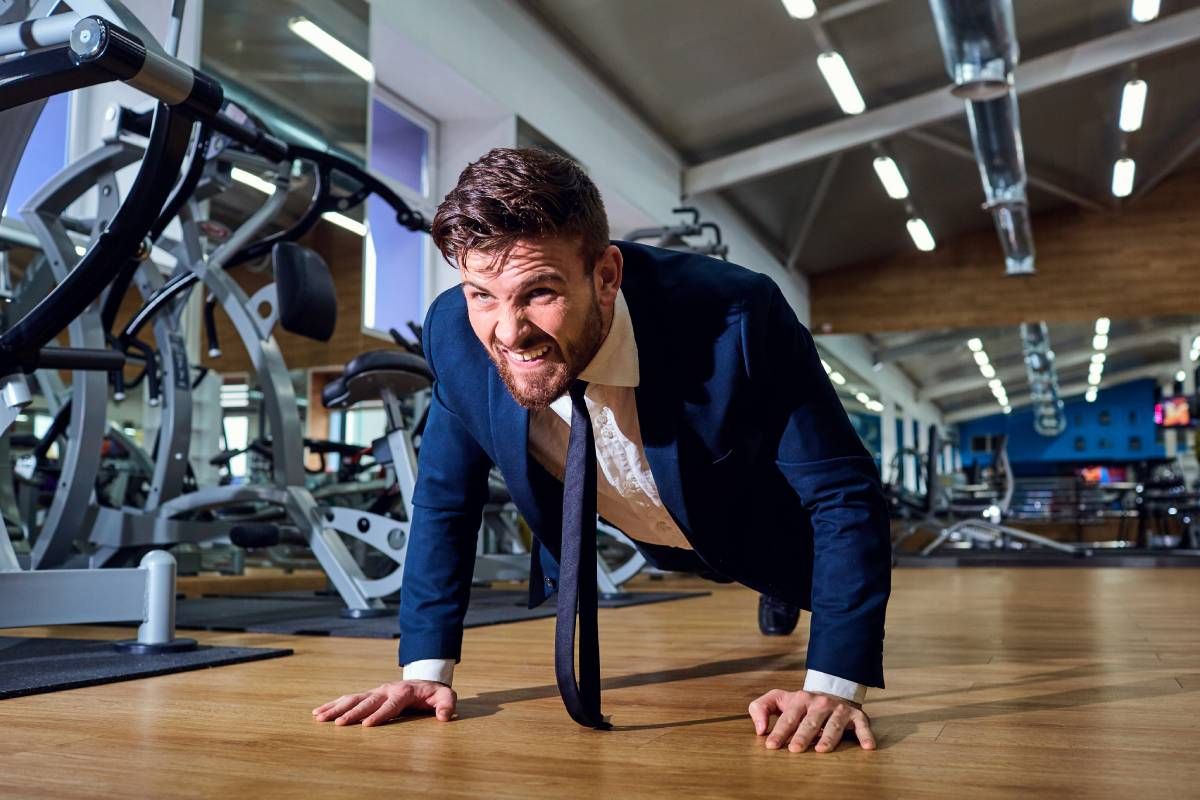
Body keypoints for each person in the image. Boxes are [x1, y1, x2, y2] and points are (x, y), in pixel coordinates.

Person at [314, 147, 891, 753]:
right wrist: (423, 672)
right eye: (482, 294)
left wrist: (832, 686)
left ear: (607, 276)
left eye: (538, 292)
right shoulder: (456, 337)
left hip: (751, 516)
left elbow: (842, 493)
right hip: (648, 524)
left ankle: (776, 587)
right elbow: (444, 501)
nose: (508, 333)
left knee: (777, 565)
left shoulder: (740, 317)